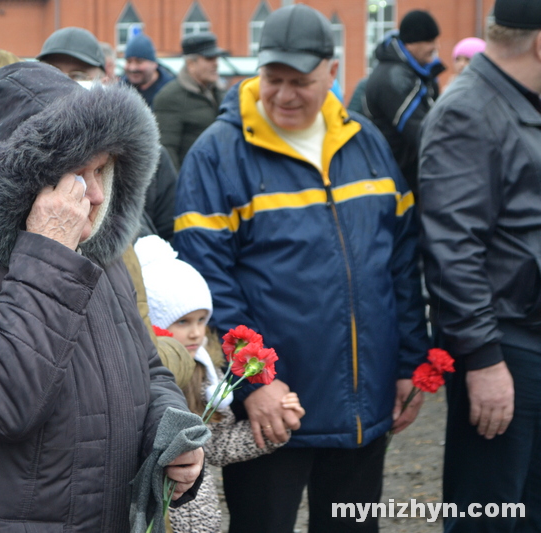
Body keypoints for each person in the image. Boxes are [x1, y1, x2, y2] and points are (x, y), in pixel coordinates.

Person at [0, 61, 204, 531]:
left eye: (103, 170)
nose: (97, 196)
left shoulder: (95, 250)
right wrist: (49, 253)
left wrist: (169, 434)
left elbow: (147, 367)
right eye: (78, 174)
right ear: (20, 177)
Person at [173, 4, 429, 532]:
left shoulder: (367, 142)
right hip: (275, 409)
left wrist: (409, 362)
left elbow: (401, 263)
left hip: (364, 404)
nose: (285, 95)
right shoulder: (219, 154)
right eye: (273, 79)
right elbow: (208, 283)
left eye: (301, 82)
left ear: (332, 73)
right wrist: (255, 383)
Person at [419, 0, 541, 529]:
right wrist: (485, 360)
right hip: (503, 347)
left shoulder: (517, 100)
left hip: (524, 335)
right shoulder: (469, 109)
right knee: (489, 512)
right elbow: (453, 250)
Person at [134, 234, 305, 533]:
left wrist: (273, 429)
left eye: (202, 320)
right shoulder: (138, 381)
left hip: (200, 521)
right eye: (183, 322)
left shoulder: (205, 373)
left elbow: (216, 445)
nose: (196, 333)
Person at [38, 26, 179, 241]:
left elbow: (166, 229)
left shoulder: (143, 155)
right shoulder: (25, 152)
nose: (63, 84)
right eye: (53, 73)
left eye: (79, 75)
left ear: (105, 81)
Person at [365, 10, 445, 200]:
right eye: (429, 41)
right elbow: (422, 132)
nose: (435, 47)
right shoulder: (393, 78)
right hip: (396, 182)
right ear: (410, 44)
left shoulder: (413, 73)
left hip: (407, 179)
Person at [153, 32, 226, 170]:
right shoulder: (170, 97)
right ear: (191, 64)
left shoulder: (220, 92)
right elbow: (167, 151)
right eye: (209, 58)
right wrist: (181, 188)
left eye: (216, 58)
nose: (216, 64)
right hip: (193, 183)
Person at [121, 33, 174, 106]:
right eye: (129, 62)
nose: (132, 68)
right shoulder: (120, 89)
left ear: (154, 63)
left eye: (139, 62)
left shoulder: (171, 90)